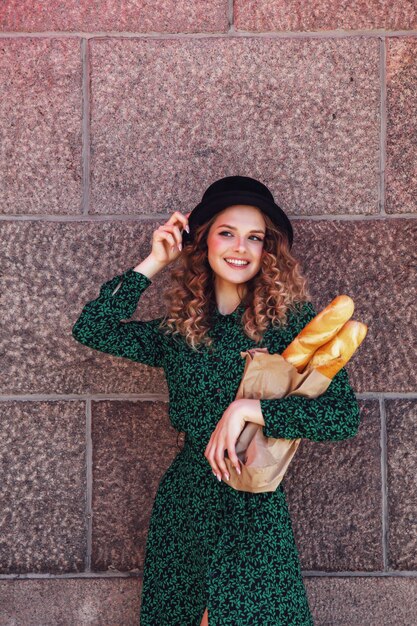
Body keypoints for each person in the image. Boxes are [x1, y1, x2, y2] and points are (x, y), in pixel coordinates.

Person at [72, 176, 361, 626]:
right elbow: (93, 328)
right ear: (203, 240)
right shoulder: (181, 328)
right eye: (227, 232)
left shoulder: (293, 324)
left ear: (268, 251)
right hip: (186, 502)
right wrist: (153, 261)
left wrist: (252, 409)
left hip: (253, 505)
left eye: (255, 237)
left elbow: (342, 417)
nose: (240, 247)